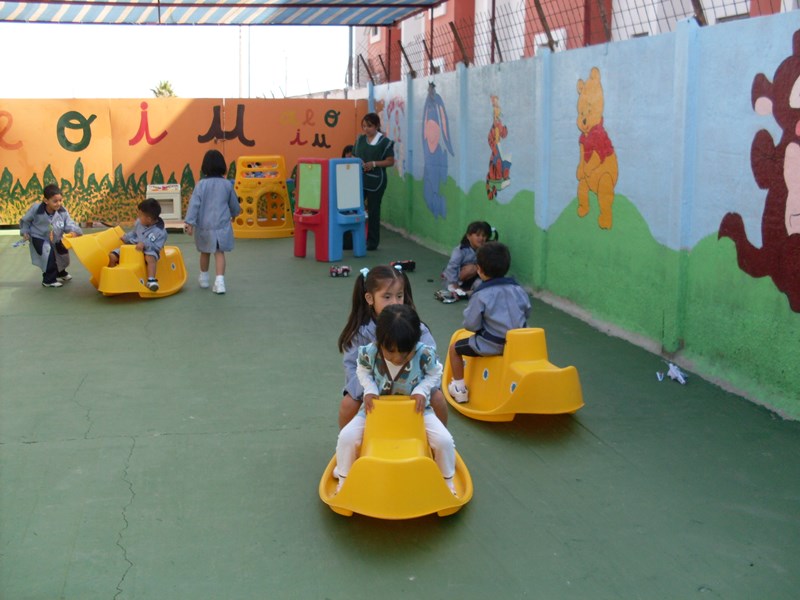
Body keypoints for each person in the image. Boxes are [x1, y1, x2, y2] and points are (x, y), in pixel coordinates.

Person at [335, 303, 457, 494]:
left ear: (415, 343)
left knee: (445, 441)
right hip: (374, 412)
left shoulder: (424, 354)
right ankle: (344, 481)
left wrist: (422, 389)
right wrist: (369, 389)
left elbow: (436, 372)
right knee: (346, 437)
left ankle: (446, 483)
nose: (398, 358)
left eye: (405, 352)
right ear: (379, 341)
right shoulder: (370, 352)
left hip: (417, 412)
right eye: (390, 351)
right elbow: (362, 369)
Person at [338, 264, 449, 428]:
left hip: (412, 387)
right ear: (370, 299)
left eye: (399, 295)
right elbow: (352, 367)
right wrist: (369, 389)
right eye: (387, 297)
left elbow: (434, 363)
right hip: (372, 390)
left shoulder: (417, 328)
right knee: (348, 404)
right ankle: (347, 440)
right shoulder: (361, 333)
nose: (395, 302)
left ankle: (437, 437)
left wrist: (421, 389)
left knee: (438, 398)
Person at [447, 241, 531, 403]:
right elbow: (527, 311)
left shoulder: (481, 294)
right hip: (518, 344)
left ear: (479, 269)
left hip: (492, 345)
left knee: (454, 349)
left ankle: (459, 388)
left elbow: (470, 324)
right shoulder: (518, 289)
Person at [184, 149, 242, 294]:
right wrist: (235, 213)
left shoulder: (201, 185)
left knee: (204, 252)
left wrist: (189, 223)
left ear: (205, 167)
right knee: (219, 252)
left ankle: (204, 279)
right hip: (221, 226)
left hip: (204, 226)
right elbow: (233, 203)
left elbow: (194, 205)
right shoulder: (227, 184)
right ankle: (220, 282)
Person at [19, 184, 83, 288]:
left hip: (56, 237)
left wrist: (74, 231)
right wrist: (25, 232)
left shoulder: (62, 211)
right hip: (39, 237)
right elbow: (25, 221)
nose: (59, 203)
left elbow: (69, 223)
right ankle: (48, 280)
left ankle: (60, 272)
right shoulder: (36, 209)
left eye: (60, 200)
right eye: (55, 201)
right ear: (46, 200)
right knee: (48, 256)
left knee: (62, 254)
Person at [353, 112, 395, 251]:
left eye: (369, 126)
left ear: (377, 126)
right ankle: (349, 240)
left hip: (377, 182)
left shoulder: (385, 142)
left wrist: (374, 164)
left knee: (373, 211)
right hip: (359, 180)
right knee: (353, 210)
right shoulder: (360, 140)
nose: (366, 129)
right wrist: (358, 162)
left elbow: (390, 161)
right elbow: (353, 155)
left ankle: (372, 242)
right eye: (364, 126)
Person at [108, 198, 166, 292]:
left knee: (150, 257)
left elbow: (156, 246)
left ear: (148, 219)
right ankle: (112, 278)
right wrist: (126, 237)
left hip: (149, 250)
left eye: (140, 215)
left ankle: (151, 280)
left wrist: (144, 244)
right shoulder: (140, 223)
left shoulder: (159, 231)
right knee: (112, 256)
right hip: (132, 247)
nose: (138, 217)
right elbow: (134, 233)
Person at [442, 221, 496, 296]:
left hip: (473, 279)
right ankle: (456, 289)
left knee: (482, 284)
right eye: (477, 235)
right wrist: (454, 283)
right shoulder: (460, 250)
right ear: (468, 236)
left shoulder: (485, 249)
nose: (481, 238)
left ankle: (468, 291)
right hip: (457, 279)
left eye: (484, 236)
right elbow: (452, 267)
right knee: (472, 268)